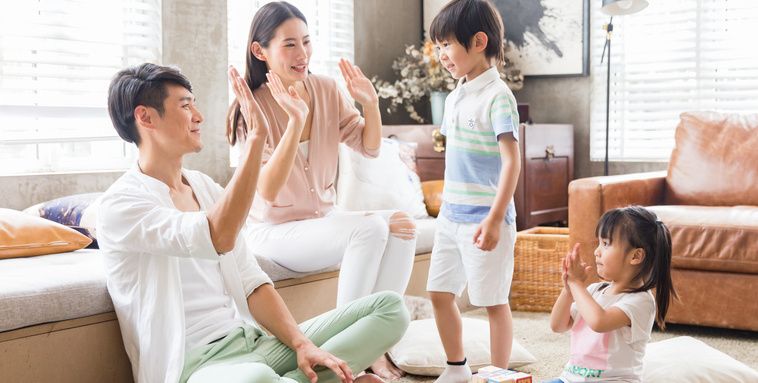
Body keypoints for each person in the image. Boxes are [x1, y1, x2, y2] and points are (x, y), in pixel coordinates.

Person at [98, 62, 408, 383]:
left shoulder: (205, 187)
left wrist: (302, 344)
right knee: (256, 378)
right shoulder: (121, 205)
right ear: (145, 117)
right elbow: (217, 236)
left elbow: (251, 281)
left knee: (390, 309)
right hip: (194, 366)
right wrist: (256, 139)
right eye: (185, 105)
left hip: (252, 343)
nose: (198, 115)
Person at [226, 3, 415, 378]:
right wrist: (295, 120)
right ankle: (350, 357)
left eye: (307, 42)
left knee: (403, 225)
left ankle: (374, 345)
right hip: (274, 231)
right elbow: (266, 190)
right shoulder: (251, 106)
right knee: (371, 227)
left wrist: (371, 104)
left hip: (324, 222)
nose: (303, 54)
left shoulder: (326, 89)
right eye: (290, 45)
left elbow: (370, 147)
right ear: (260, 51)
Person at [425, 1, 521, 382]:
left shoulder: (498, 97)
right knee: (438, 293)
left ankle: (499, 374)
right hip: (450, 218)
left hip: (486, 220)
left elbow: (512, 162)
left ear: (478, 41)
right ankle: (457, 369)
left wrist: (495, 219)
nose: (442, 55)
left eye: (447, 45)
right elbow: (457, 158)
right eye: (439, 46)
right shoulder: (453, 97)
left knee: (493, 301)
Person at [545, 206, 677, 383]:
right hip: (569, 379)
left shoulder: (640, 301)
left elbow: (599, 322)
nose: (596, 251)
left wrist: (577, 284)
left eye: (606, 244)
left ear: (636, 256)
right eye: (599, 243)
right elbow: (557, 326)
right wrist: (568, 290)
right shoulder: (594, 290)